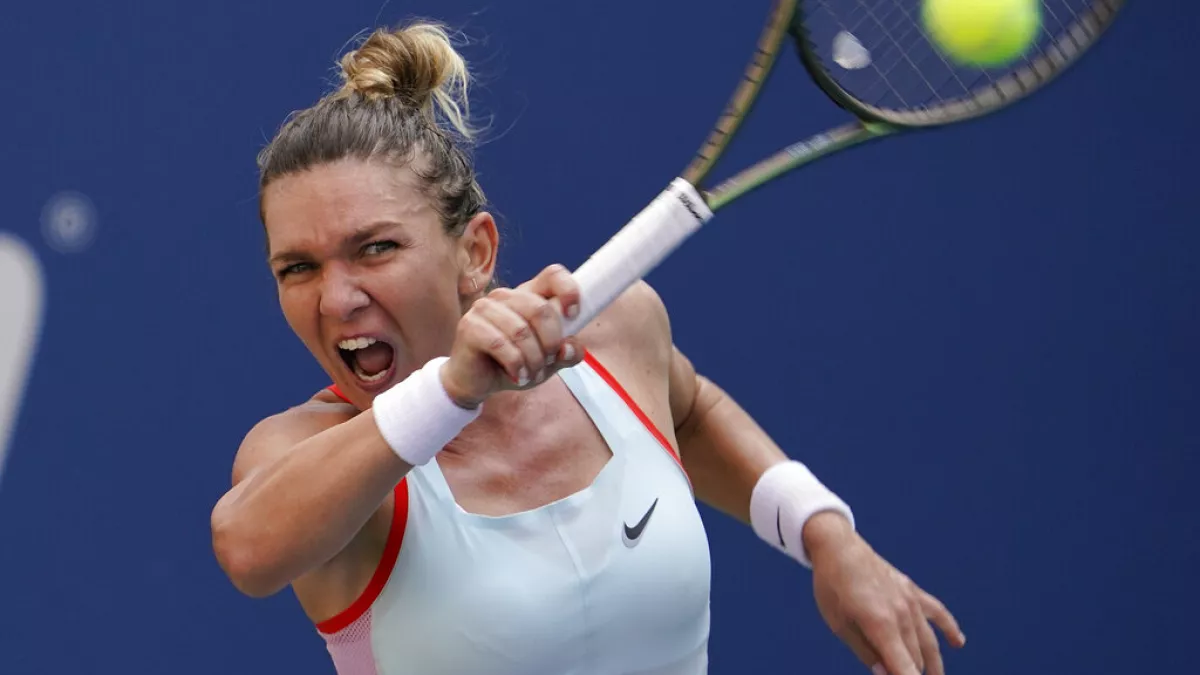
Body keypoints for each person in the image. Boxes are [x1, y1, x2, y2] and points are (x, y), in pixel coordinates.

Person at [210, 20, 966, 675]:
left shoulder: (614, 334)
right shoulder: (301, 452)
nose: (335, 298)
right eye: (297, 268)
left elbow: (691, 412)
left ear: (475, 252)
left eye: (375, 248)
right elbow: (248, 549)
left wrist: (822, 533)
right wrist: (451, 389)